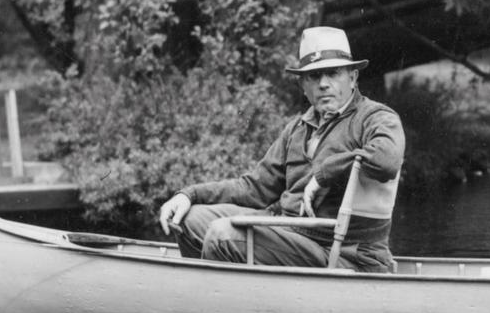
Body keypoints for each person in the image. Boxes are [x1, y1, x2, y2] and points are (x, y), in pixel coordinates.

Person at [157, 26, 405, 271]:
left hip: (345, 252)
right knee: (188, 219)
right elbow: (254, 189)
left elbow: (387, 159)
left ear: (353, 77)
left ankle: (223, 299)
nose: (323, 84)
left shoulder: (375, 117)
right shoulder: (297, 128)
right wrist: (188, 195)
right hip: (289, 234)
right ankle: (225, 296)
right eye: (314, 76)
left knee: (223, 234)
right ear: (303, 86)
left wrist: (325, 173)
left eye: (333, 73)